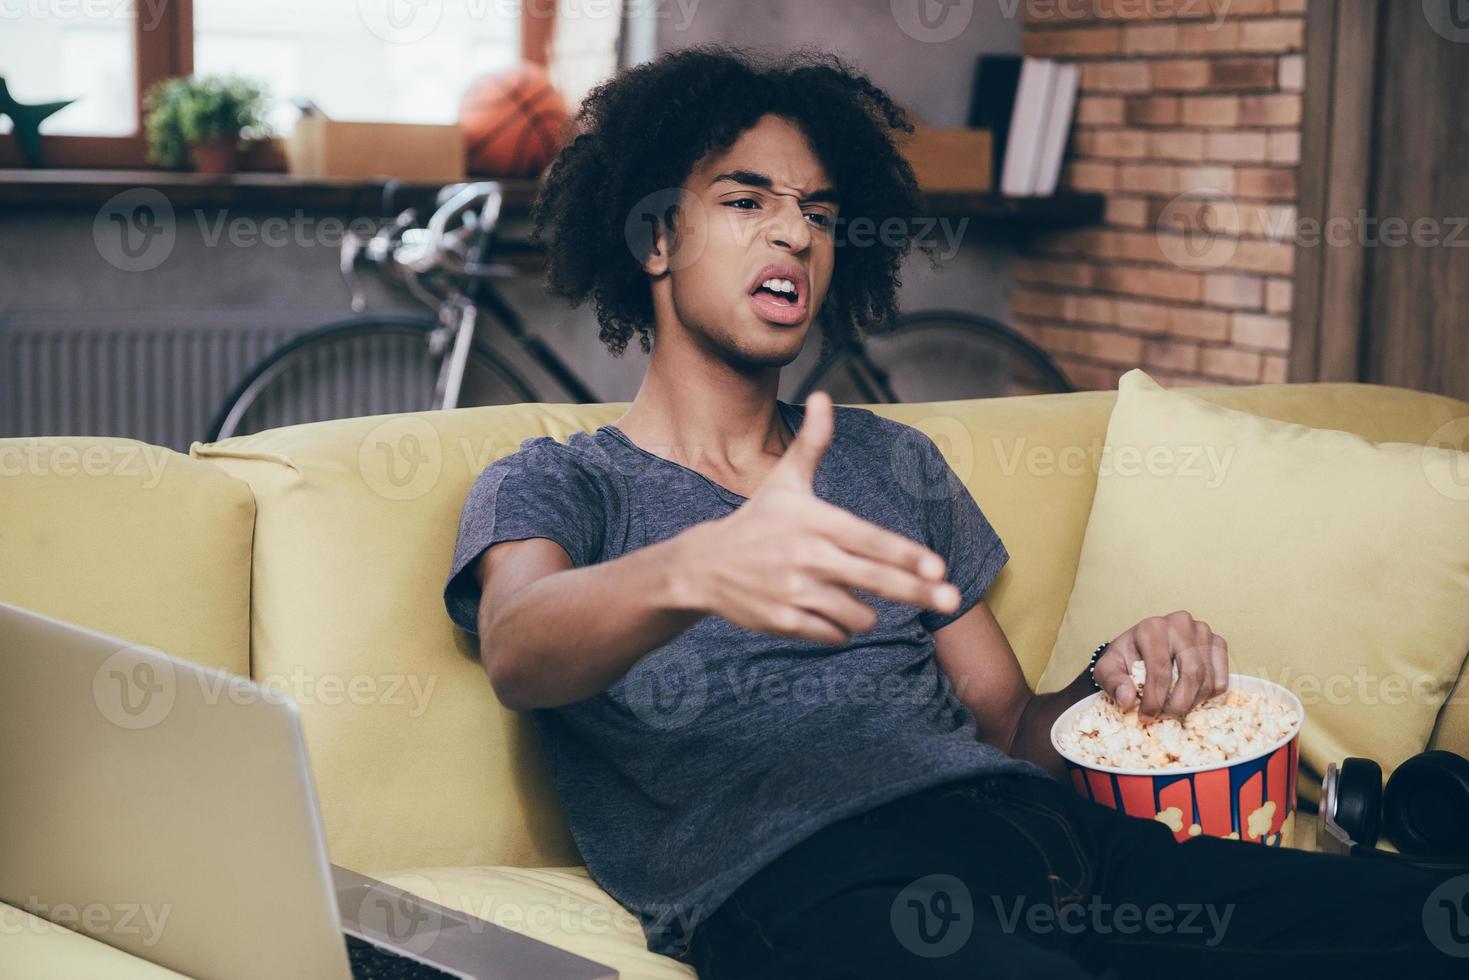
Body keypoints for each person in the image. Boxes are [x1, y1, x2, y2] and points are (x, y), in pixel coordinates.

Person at [442, 45, 1466, 978]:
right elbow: (520, 645)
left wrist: (1113, 678)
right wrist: (696, 566)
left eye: (820, 212)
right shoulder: (558, 480)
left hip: (1061, 842)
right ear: (656, 237)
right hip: (818, 887)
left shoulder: (890, 460)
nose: (796, 232)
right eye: (746, 200)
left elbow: (1012, 724)